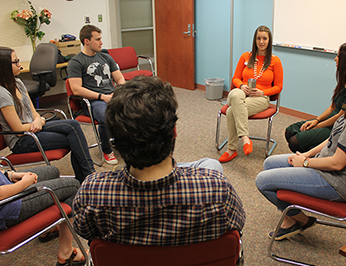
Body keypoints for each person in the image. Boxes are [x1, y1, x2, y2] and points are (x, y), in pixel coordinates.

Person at [73, 76, 246, 245]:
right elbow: (236, 227)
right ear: (174, 131)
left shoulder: (91, 192)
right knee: (211, 165)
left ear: (114, 139)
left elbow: (86, 232)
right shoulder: (218, 189)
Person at [255, 51, 346, 241]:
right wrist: (307, 154)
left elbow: (337, 163)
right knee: (270, 164)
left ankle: (300, 220)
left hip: (335, 181)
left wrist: (304, 164)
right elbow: (333, 139)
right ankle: (294, 218)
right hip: (325, 166)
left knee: (262, 181)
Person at [0, 47, 95, 183]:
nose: (19, 64)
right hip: (23, 140)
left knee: (73, 125)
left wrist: (39, 119)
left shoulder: (18, 83)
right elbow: (19, 130)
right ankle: (89, 177)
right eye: (16, 62)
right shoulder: (2, 93)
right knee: (75, 139)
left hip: (34, 128)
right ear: (4, 66)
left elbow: (33, 111)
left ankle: (86, 177)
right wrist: (38, 122)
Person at [285, 42, 346, 153]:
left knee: (295, 141)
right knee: (290, 131)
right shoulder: (344, 81)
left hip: (336, 127)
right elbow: (332, 108)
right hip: (329, 121)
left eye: (338, 56)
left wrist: (317, 126)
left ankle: (310, 158)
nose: (335, 59)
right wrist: (316, 120)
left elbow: (340, 116)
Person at [0, 166, 86, 266]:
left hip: (5, 183)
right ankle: (67, 253)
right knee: (74, 186)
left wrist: (9, 175)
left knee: (53, 171)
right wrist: (24, 184)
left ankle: (50, 227)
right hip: (9, 204)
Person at [219, 25, 283, 163]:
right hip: (242, 93)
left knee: (231, 111)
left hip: (261, 98)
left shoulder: (275, 61)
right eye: (258, 38)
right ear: (255, 40)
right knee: (235, 95)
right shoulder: (245, 56)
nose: (261, 41)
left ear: (269, 40)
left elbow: (278, 87)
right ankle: (245, 138)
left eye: (264, 38)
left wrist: (263, 92)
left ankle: (231, 149)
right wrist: (241, 86)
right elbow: (235, 78)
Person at [67, 25, 126, 165]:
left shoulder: (106, 57)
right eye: (98, 39)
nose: (101, 43)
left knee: (135, 109)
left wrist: (119, 91)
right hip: (93, 100)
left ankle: (123, 142)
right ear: (86, 41)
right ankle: (107, 150)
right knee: (106, 116)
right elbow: (76, 89)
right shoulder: (76, 62)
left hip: (112, 95)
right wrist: (102, 97)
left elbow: (120, 78)